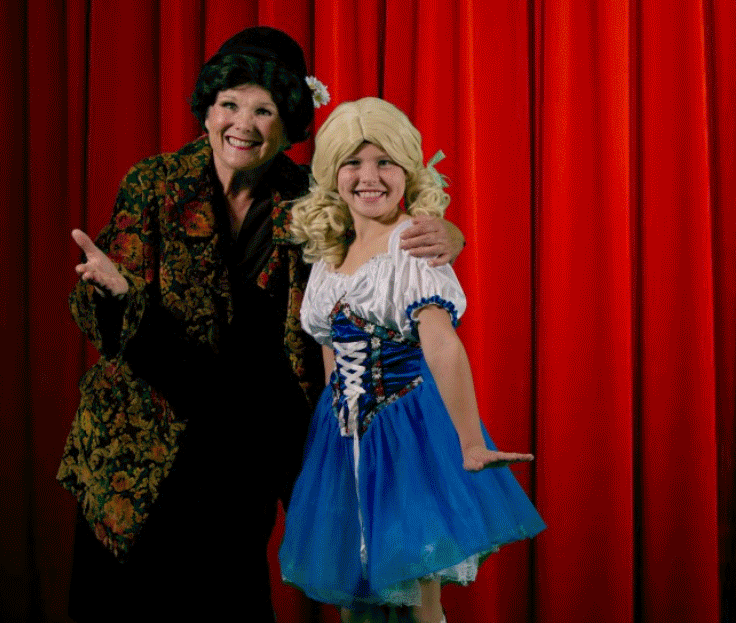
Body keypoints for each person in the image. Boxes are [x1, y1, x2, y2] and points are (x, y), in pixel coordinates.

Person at [60, 27, 464, 623]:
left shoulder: (309, 199)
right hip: (139, 442)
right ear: (208, 112)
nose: (242, 125)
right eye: (229, 104)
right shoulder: (154, 184)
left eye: (263, 110)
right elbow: (96, 316)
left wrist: (448, 234)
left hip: (243, 444)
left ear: (288, 123)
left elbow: (382, 226)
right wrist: (115, 295)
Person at [278, 97, 546, 623]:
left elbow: (441, 344)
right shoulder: (329, 254)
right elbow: (331, 352)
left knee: (419, 590)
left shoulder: (414, 244)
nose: (369, 177)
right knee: (355, 591)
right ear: (332, 173)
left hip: (407, 434)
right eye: (353, 162)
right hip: (342, 438)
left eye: (385, 161)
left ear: (407, 169)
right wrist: (335, 429)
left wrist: (469, 440)